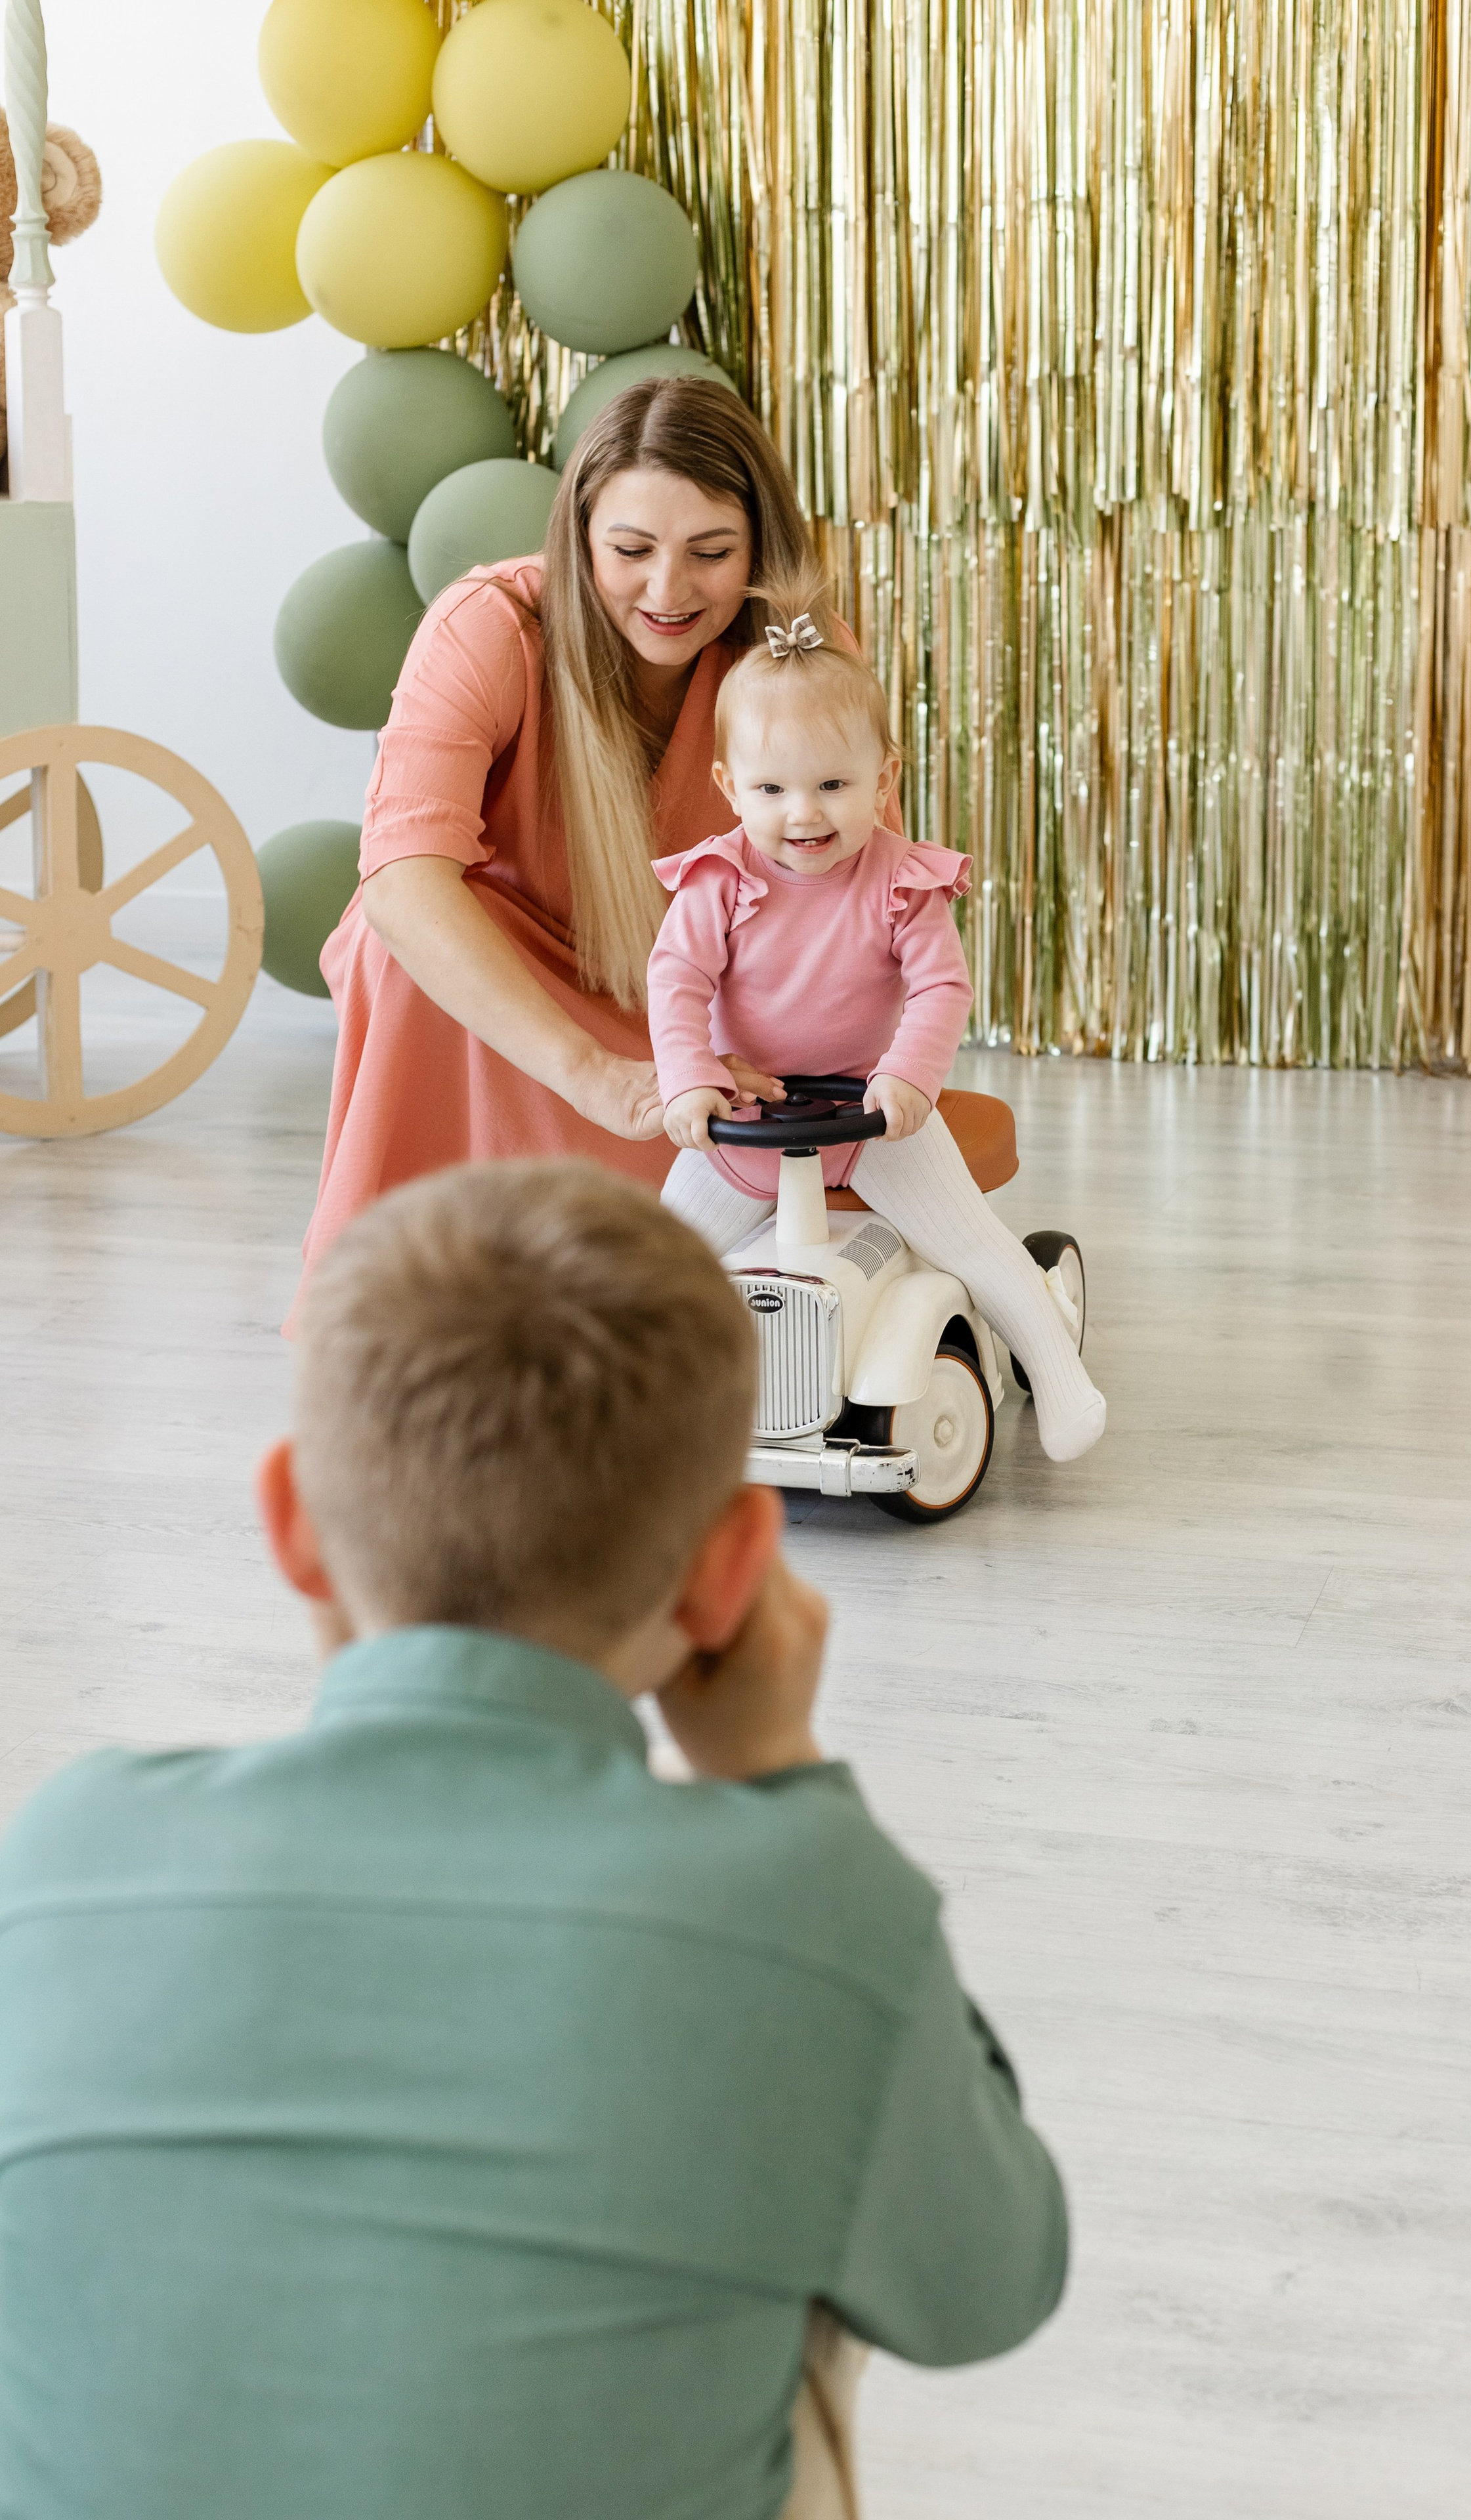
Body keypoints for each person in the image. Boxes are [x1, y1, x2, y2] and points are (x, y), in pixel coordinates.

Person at [0, 1162, 1068, 2520]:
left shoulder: (63, 1854)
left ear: (290, 1523)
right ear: (736, 1564)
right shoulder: (799, 1903)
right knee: (809, 2213)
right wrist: (783, 1778)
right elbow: (991, 2285)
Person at [300, 377, 814, 1282]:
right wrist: (592, 1073)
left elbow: (854, 884)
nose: (669, 589)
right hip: (506, 999)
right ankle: (414, 1303)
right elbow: (402, 881)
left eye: (711, 551)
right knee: (397, 955)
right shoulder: (491, 625)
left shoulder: (799, 654)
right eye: (631, 549)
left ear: (759, 548)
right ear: (580, 540)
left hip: (691, 998)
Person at [650, 566, 1107, 1463]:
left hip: (871, 1113)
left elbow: (941, 988)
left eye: (832, 784)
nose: (804, 814)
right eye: (772, 790)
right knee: (647, 1265)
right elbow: (677, 984)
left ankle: (1059, 1374)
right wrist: (691, 1079)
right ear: (728, 785)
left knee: (973, 1245)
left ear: (883, 776)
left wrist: (907, 1078)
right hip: (749, 1119)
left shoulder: (902, 882)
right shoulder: (718, 882)